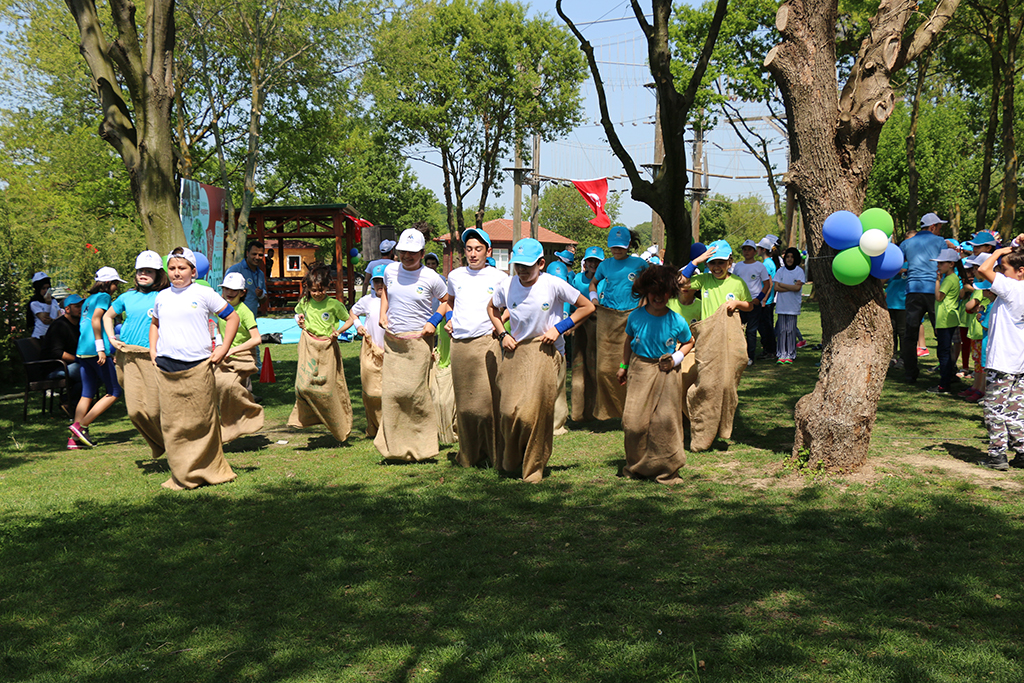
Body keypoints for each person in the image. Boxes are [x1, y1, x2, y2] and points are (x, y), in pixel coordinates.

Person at [488, 238, 595, 482]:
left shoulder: (553, 284)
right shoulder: (507, 285)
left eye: (528, 265)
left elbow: (587, 307)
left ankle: (533, 467)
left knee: (531, 415)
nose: (523, 270)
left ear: (541, 263)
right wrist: (502, 333)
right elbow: (492, 309)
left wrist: (560, 328)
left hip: (547, 352)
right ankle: (512, 461)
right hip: (516, 351)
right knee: (507, 411)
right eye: (518, 265)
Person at [150, 247, 239, 490]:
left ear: (192, 271)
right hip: (167, 367)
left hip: (199, 366)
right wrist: (152, 349)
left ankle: (209, 470)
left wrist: (223, 349)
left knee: (202, 421)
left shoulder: (205, 293)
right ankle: (181, 474)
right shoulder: (161, 297)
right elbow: (155, 323)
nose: (176, 273)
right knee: (173, 424)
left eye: (182, 268)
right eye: (172, 268)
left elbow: (232, 318)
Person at [376, 228, 450, 461]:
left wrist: (434, 321)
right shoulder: (390, 270)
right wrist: (382, 312)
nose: (407, 256)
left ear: (422, 252)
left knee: (415, 394)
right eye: (404, 252)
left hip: (419, 341)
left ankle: (423, 447)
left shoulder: (431, 277)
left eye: (413, 253)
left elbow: (446, 301)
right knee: (392, 394)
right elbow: (386, 291)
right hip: (394, 342)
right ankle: (393, 447)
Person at [616, 265, 694, 483]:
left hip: (667, 372)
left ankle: (666, 469)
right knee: (633, 423)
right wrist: (623, 367)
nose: (658, 297)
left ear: (671, 293)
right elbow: (629, 342)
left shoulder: (676, 320)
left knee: (665, 422)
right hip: (639, 370)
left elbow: (689, 342)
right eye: (653, 292)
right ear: (645, 292)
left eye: (663, 292)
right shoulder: (635, 317)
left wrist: (676, 359)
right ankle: (637, 466)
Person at [444, 227, 508, 467]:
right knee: (465, 405)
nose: (473, 254)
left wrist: (500, 324)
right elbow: (449, 301)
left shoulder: (499, 277)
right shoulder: (455, 276)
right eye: (469, 249)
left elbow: (510, 304)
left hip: (486, 343)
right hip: (460, 345)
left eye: (478, 249)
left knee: (488, 405)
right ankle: (469, 455)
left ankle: (494, 454)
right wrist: (450, 318)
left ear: (488, 251)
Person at [101, 251, 170, 458]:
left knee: (154, 409)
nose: (143, 274)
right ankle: (161, 444)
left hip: (152, 357)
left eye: (149, 271)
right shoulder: (126, 297)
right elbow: (107, 316)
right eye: (140, 270)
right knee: (134, 411)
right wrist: (112, 338)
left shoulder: (164, 296)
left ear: (158, 274)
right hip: (128, 358)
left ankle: (171, 444)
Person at [974, 238, 1024, 470]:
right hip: (1018, 363)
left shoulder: (1012, 288)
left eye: (1003, 269)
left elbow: (983, 269)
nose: (999, 273)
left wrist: (1000, 250)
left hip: (1003, 361)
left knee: (994, 409)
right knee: (1015, 410)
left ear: (1020, 271)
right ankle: (1022, 452)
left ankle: (997, 456)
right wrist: (1016, 244)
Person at [589, 226, 648, 420]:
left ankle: (635, 408)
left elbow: (651, 283)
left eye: (621, 247)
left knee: (634, 363)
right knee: (605, 368)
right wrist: (594, 299)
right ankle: (609, 410)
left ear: (629, 245)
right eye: (614, 247)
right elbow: (593, 284)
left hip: (633, 315)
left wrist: (644, 303)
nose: (617, 250)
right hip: (609, 317)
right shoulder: (605, 265)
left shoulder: (639, 264)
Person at [289, 264, 353, 442]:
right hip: (309, 344)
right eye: (313, 290)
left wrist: (338, 333)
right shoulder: (305, 302)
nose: (317, 293)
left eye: (321, 290)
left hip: (327, 347)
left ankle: (339, 425)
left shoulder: (334, 304)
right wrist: (299, 320)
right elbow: (297, 314)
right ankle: (305, 418)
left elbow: (349, 320)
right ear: (308, 288)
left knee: (328, 388)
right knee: (303, 386)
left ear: (327, 287)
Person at [68, 267, 126, 449]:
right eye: (116, 283)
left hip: (83, 350)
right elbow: (96, 320)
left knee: (87, 393)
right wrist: (102, 349)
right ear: (108, 283)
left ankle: (73, 439)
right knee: (115, 391)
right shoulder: (103, 297)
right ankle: (81, 426)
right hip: (95, 350)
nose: (117, 287)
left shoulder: (88, 299)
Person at [339, 264, 388, 437]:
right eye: (376, 281)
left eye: (382, 281)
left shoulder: (396, 300)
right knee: (371, 392)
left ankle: (389, 428)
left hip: (391, 352)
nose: (379, 285)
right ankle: (374, 427)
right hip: (370, 351)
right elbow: (352, 312)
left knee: (390, 392)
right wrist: (358, 325)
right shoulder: (368, 300)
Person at [214, 271, 264, 442]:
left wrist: (232, 350)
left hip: (242, 359)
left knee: (235, 390)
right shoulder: (221, 308)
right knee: (223, 390)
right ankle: (231, 427)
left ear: (242, 293)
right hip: (225, 356)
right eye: (226, 288)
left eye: (234, 290)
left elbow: (256, 339)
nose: (229, 292)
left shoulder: (245, 312)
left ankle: (250, 418)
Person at [900, 213, 950, 383]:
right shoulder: (939, 241)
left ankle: (910, 373)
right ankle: (946, 373)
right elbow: (947, 262)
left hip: (913, 290)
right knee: (941, 331)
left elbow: (898, 262)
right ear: (932, 227)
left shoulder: (906, 243)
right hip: (934, 291)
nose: (939, 230)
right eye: (939, 227)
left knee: (910, 334)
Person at [42, 294, 83, 430]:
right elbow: (57, 353)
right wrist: (79, 360)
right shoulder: (59, 326)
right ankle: (70, 402)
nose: (81, 309)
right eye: (77, 306)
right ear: (67, 309)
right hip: (54, 368)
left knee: (96, 368)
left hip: (70, 365)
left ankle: (70, 401)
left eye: (82, 306)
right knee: (87, 371)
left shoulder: (80, 325)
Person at [731, 239, 773, 365]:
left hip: (754, 303)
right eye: (744, 249)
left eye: (749, 249)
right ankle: (738, 355)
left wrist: (758, 299)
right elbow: (733, 282)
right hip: (740, 302)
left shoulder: (760, 266)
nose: (747, 252)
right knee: (738, 330)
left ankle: (750, 357)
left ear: (755, 251)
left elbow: (767, 284)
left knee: (751, 331)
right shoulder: (738, 266)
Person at [961, 254, 994, 402]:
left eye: (976, 268)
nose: (974, 271)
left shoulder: (982, 287)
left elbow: (969, 306)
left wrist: (975, 308)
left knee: (981, 364)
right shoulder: (979, 287)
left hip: (982, 332)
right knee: (977, 362)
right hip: (976, 330)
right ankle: (976, 386)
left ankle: (981, 389)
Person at [930, 248, 962, 393]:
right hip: (947, 319)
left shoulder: (948, 279)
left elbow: (938, 297)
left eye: (942, 263)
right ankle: (949, 377)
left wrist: (937, 281)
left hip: (945, 319)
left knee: (943, 352)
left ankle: (944, 384)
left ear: (951, 264)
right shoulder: (953, 278)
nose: (939, 266)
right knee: (946, 351)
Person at [772, 247, 805, 365]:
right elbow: (776, 287)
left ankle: (790, 354)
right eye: (787, 257)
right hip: (781, 306)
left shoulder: (799, 271)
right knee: (781, 330)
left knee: (790, 331)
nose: (789, 259)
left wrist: (782, 285)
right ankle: (781, 354)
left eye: (792, 257)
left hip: (793, 306)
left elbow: (797, 288)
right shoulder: (780, 271)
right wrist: (790, 286)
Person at [225, 240, 266, 315]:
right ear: (247, 253)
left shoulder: (260, 274)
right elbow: (224, 295)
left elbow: (263, 300)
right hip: (234, 317)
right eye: (254, 254)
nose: (257, 257)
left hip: (251, 319)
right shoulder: (234, 270)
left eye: (260, 255)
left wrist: (261, 295)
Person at [755, 238, 779, 359]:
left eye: (758, 248)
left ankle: (770, 351)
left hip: (766, 301)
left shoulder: (766, 264)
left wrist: (764, 300)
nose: (757, 250)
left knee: (765, 327)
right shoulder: (769, 263)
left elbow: (769, 283)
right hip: (767, 300)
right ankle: (769, 350)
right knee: (765, 326)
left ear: (763, 250)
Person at [885, 261, 909, 367]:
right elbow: (882, 280)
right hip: (890, 302)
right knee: (892, 331)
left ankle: (903, 358)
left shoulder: (911, 264)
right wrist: (893, 271)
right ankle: (892, 356)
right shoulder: (893, 264)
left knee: (903, 332)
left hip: (903, 303)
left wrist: (904, 271)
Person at [27, 272, 58, 339]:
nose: (46, 291)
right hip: (40, 337)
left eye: (48, 288)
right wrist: (48, 304)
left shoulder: (54, 301)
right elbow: (45, 320)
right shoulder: (34, 303)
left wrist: (53, 321)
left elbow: (60, 315)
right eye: (43, 288)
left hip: (54, 335)